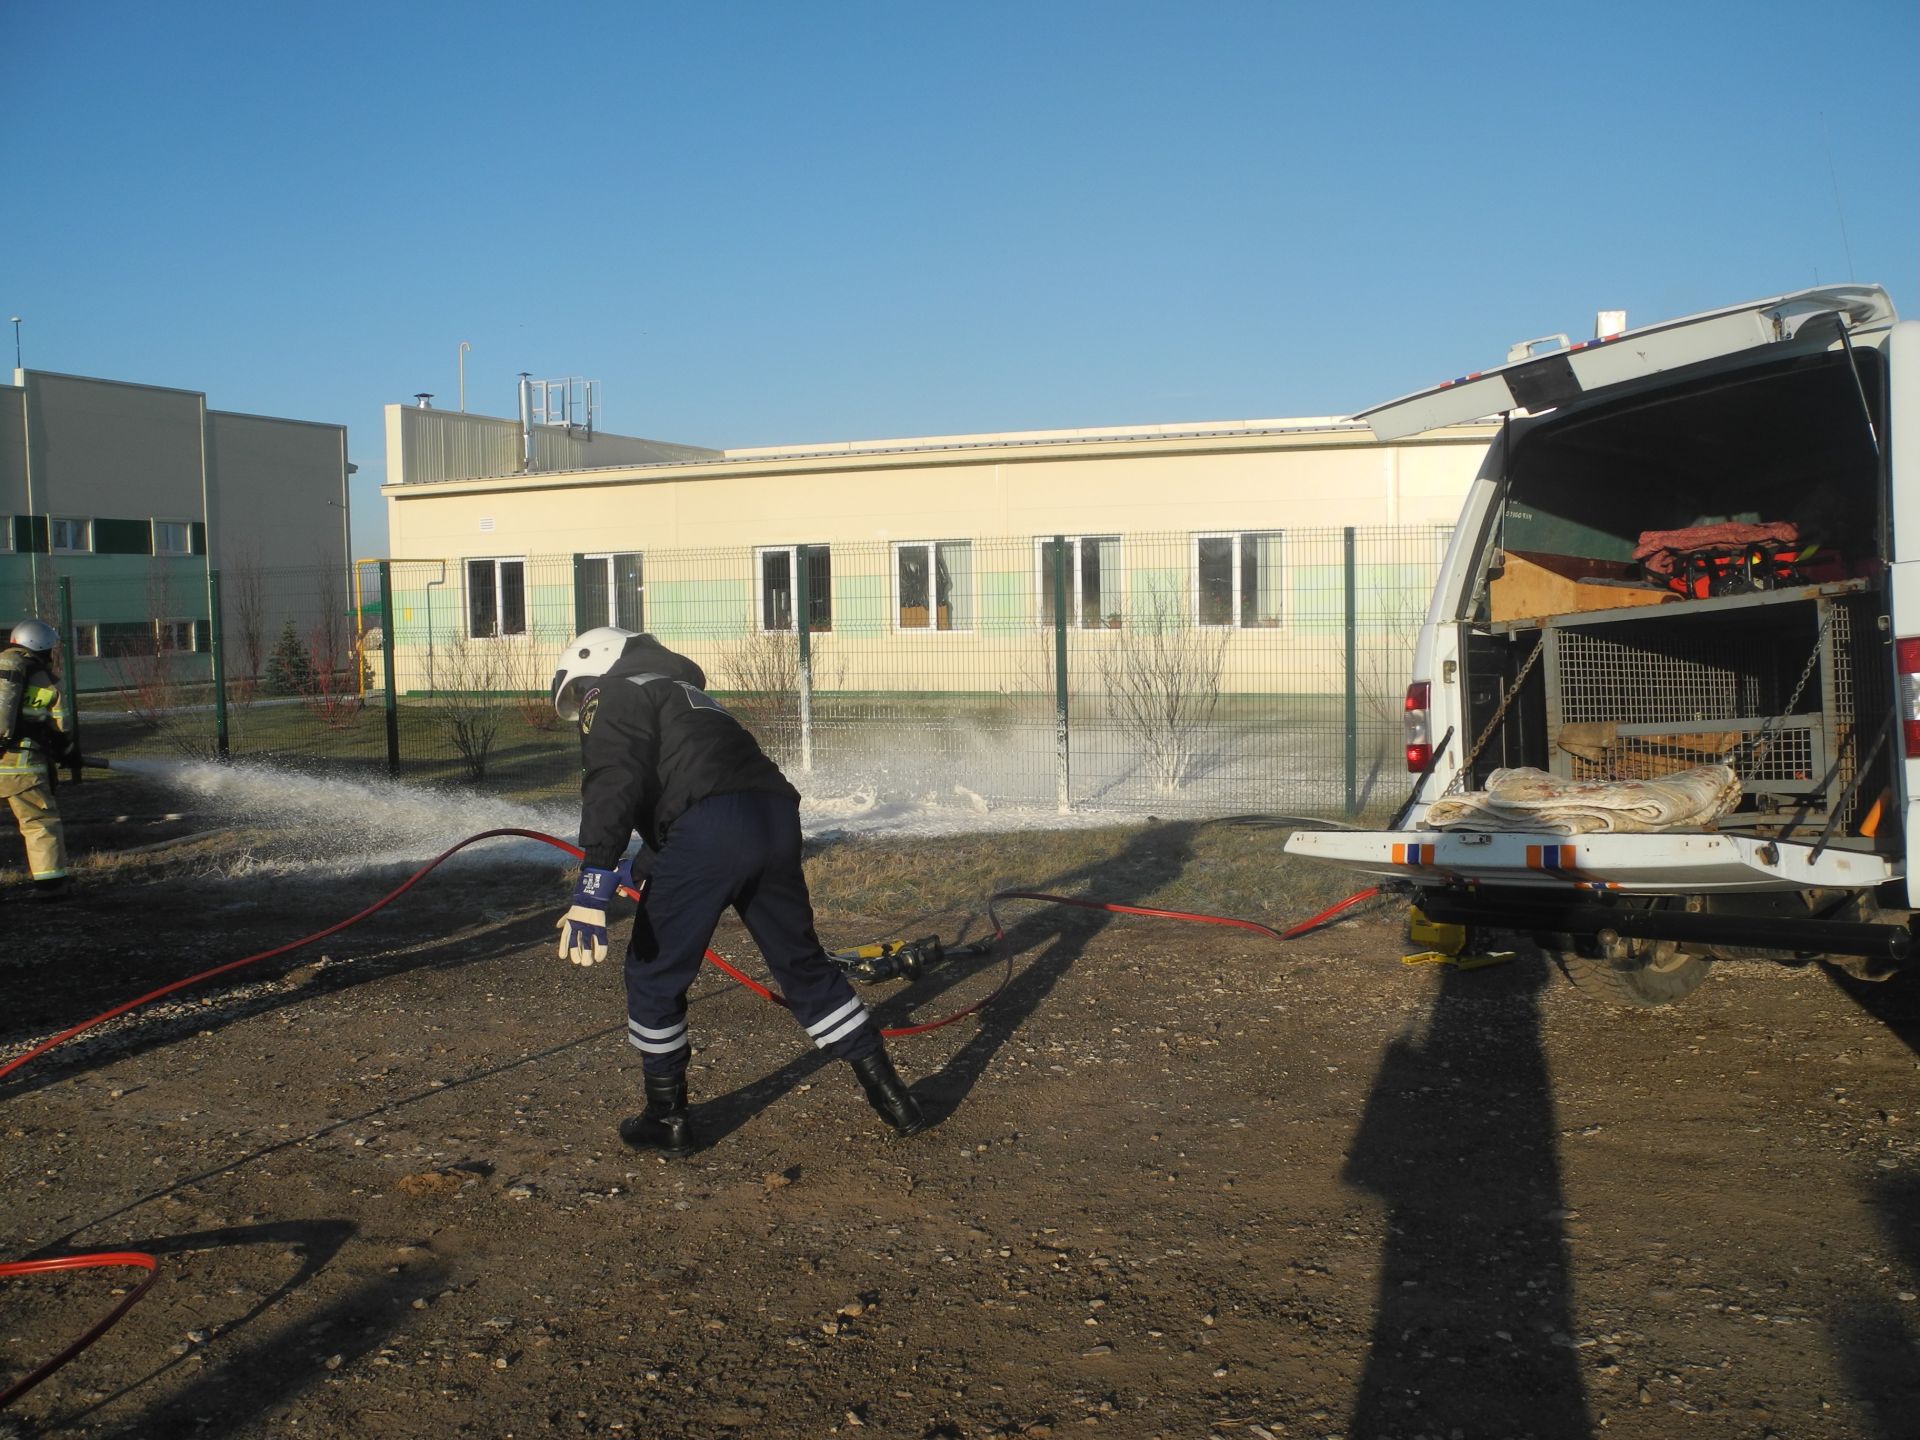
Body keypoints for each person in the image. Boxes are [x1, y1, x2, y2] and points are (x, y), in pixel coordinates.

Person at [550, 626, 927, 1154]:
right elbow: (709, 782)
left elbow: (614, 776)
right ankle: (892, 1097)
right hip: (773, 820)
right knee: (803, 965)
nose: (582, 706)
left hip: (709, 830)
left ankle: (667, 1118)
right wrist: (648, 861)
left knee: (654, 974)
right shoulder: (692, 696)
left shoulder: (612, 689)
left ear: (593, 666)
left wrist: (594, 883)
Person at [0, 619, 75, 900]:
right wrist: (68, 752)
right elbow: (61, 725)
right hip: (22, 769)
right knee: (39, 823)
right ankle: (52, 886)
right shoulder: (47, 681)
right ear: (42, 647)